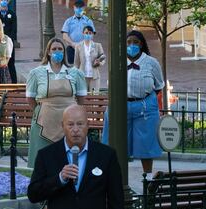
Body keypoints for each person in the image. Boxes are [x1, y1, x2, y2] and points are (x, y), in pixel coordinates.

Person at [27, 104, 124, 209]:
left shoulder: (106, 155)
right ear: (63, 126)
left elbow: (116, 201)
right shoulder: (47, 155)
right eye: (70, 124)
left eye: (80, 124)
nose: (75, 129)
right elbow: (33, 194)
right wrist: (59, 178)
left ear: (88, 125)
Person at [102, 30, 164, 179]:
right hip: (120, 104)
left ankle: (147, 178)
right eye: (128, 42)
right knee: (115, 142)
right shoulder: (117, 61)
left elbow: (159, 86)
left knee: (146, 144)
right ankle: (116, 178)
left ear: (141, 44)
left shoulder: (151, 63)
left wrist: (147, 101)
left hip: (144, 107)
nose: (132, 45)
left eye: (135, 42)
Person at [26, 38, 87, 168]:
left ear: (64, 52)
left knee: (69, 158)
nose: (57, 52)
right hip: (43, 123)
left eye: (60, 49)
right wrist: (41, 112)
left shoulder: (75, 73)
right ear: (48, 52)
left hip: (70, 124)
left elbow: (81, 100)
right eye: (54, 49)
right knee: (42, 160)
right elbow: (30, 99)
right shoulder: (36, 73)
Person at [62, 0, 95, 64]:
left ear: (84, 8)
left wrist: (82, 44)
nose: (79, 9)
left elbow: (92, 35)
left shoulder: (88, 21)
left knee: (84, 66)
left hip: (85, 48)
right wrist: (72, 44)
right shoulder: (68, 21)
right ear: (74, 8)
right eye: (77, 7)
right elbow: (64, 35)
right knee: (72, 67)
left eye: (81, 7)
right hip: (71, 48)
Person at [74, 25, 105, 93]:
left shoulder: (97, 45)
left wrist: (99, 62)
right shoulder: (78, 46)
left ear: (92, 34)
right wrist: (75, 76)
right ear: (83, 33)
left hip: (94, 76)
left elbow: (103, 58)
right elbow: (76, 63)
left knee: (94, 96)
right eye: (86, 33)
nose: (88, 34)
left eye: (90, 33)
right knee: (83, 96)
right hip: (82, 76)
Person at [0, 0, 17, 83]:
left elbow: (14, 29)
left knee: (10, 63)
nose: (3, 7)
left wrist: (9, 40)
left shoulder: (12, 14)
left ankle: (14, 83)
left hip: (9, 42)